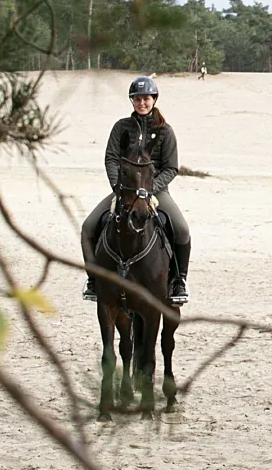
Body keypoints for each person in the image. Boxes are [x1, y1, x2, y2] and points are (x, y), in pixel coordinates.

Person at [81, 76, 191, 305]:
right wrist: (118, 187)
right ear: (132, 100)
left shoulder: (165, 131)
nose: (142, 103)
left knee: (181, 230)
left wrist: (150, 190)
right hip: (125, 191)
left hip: (156, 192)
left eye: (146, 99)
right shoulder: (121, 127)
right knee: (89, 227)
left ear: (154, 100)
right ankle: (93, 280)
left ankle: (179, 281)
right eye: (138, 99)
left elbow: (171, 168)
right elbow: (111, 158)